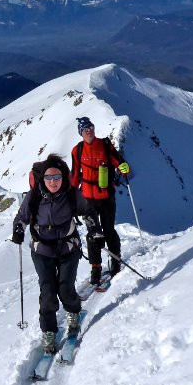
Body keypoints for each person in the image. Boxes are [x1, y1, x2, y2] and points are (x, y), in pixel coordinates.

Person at [11, 154, 99, 354]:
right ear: (42, 179)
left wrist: (94, 230)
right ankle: (49, 331)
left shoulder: (71, 194)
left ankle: (74, 312)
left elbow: (88, 212)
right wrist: (18, 229)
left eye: (57, 177)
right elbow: (22, 217)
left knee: (66, 288)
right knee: (48, 291)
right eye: (49, 178)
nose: (53, 182)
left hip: (68, 248)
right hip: (42, 250)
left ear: (63, 178)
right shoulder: (33, 196)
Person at [70, 116, 131, 285]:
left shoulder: (104, 144)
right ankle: (95, 267)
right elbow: (74, 176)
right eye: (85, 129)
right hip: (88, 200)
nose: (88, 130)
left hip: (106, 197)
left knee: (109, 230)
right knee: (93, 234)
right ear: (81, 133)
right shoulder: (78, 150)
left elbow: (117, 160)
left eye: (90, 127)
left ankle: (115, 261)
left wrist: (123, 166)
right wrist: (70, 197)